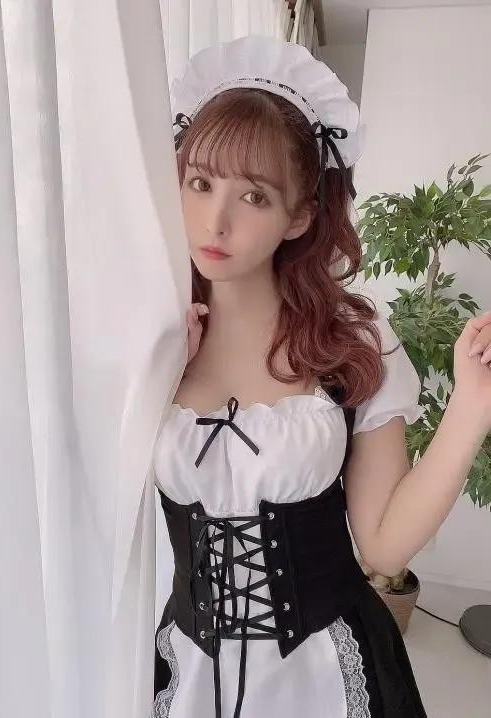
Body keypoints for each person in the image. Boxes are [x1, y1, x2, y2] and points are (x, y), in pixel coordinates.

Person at [150, 35, 491, 718]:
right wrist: (155, 372)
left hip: (326, 675)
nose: (216, 220)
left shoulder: (351, 343)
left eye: (254, 195)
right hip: (189, 675)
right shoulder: (152, 340)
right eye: (201, 183)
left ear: (299, 216)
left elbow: (384, 546)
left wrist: (470, 410)